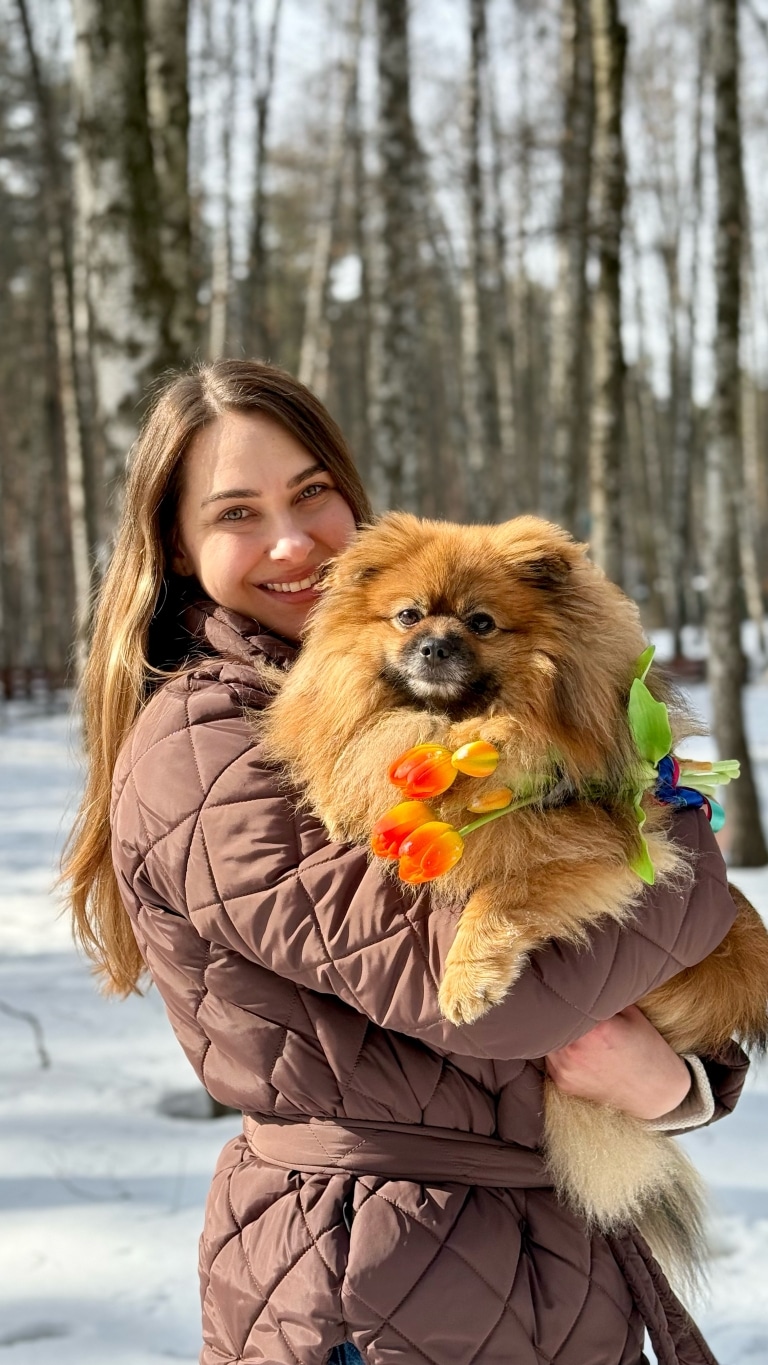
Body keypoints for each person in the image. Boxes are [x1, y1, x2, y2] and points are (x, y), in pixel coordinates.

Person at [64, 359, 748, 1365]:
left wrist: (674, 1084)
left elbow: (655, 986)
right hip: (372, 1273)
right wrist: (680, 839)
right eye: (237, 513)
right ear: (174, 543)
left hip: (538, 1258)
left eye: (310, 493)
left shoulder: (370, 677)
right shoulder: (205, 747)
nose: (292, 541)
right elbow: (498, 1003)